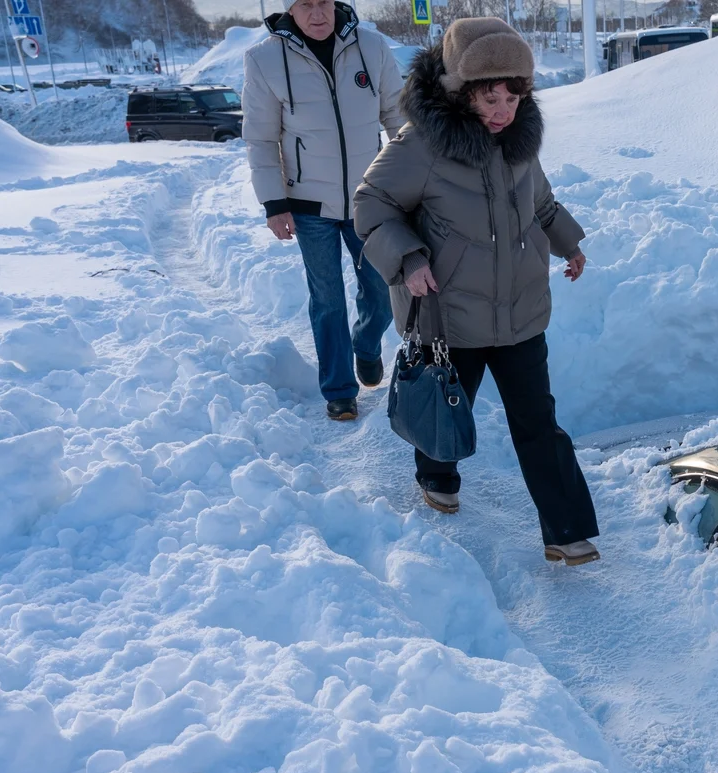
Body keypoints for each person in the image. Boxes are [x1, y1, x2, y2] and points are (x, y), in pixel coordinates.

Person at [353, 18, 600, 566]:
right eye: (490, 97)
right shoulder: (420, 146)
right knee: (445, 406)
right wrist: (409, 259)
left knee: (538, 422)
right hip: (450, 314)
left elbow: (541, 204)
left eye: (514, 97)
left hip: (520, 311)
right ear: (460, 91)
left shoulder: (518, 143)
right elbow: (370, 206)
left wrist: (568, 243)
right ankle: (436, 473)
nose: (503, 111)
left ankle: (565, 530)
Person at [242, 0, 405, 420]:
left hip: (369, 199)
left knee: (384, 289)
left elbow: (398, 118)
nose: (318, 14)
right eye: (307, 5)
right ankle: (339, 390)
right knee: (327, 298)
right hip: (308, 204)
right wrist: (274, 203)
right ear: (291, 11)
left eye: (325, 3)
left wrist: (413, 181)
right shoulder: (264, 60)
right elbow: (260, 138)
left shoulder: (372, 47)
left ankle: (366, 345)